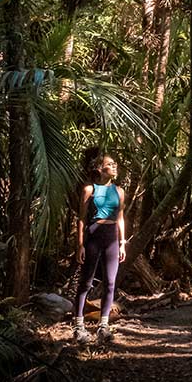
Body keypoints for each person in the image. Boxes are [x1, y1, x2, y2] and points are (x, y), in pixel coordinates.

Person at [72, 147, 127, 343]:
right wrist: (80, 245)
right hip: (94, 235)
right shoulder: (89, 190)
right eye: (110, 164)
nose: (114, 167)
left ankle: (103, 326)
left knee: (110, 282)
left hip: (111, 237)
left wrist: (122, 243)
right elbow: (81, 219)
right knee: (85, 282)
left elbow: (120, 217)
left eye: (115, 165)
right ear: (99, 169)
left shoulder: (119, 191)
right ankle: (78, 326)